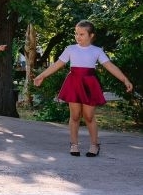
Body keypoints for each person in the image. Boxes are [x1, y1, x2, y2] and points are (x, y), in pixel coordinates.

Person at [34, 20, 133, 157]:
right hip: (74, 83)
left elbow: (110, 66)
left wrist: (124, 79)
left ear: (91, 35)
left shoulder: (97, 51)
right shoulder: (70, 49)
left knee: (89, 116)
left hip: (89, 84)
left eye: (82, 34)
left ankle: (94, 145)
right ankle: (74, 144)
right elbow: (58, 64)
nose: (78, 37)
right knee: (74, 116)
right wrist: (42, 76)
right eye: (76, 34)